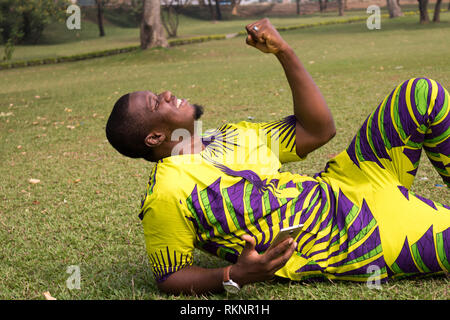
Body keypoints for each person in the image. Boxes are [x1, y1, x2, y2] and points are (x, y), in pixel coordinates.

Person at [106, 18, 450, 295]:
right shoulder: (166, 192)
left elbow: (317, 131)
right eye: (155, 103)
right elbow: (169, 277)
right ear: (154, 137)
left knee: (421, 94)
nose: (166, 93)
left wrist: (283, 51)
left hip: (351, 181)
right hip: (354, 236)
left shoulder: (230, 134)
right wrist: (234, 274)